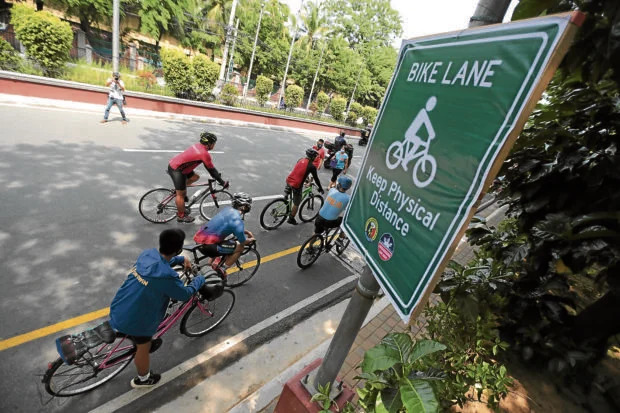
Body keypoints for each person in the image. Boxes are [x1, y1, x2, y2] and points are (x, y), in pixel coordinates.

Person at [109, 229, 205, 388]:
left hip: (120, 305)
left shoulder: (147, 255)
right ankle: (143, 379)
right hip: (135, 320)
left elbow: (160, 264)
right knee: (143, 346)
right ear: (178, 248)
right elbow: (185, 295)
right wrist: (199, 280)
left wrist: (181, 259)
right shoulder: (167, 277)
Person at [168, 131, 229, 223]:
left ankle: (178, 189)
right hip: (177, 170)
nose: (214, 145)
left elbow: (211, 169)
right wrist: (222, 182)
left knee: (195, 177)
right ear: (209, 144)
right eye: (214, 143)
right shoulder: (204, 154)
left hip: (181, 167)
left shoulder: (198, 145)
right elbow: (211, 170)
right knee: (180, 195)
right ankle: (181, 216)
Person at [193, 193, 255, 275]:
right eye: (248, 205)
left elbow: (223, 226)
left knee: (222, 242)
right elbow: (243, 241)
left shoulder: (226, 210)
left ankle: (209, 268)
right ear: (244, 207)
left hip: (199, 241)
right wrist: (251, 239)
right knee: (240, 247)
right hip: (209, 247)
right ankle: (222, 270)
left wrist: (243, 231)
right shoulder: (237, 220)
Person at [285, 148, 325, 225]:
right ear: (313, 157)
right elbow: (316, 179)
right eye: (316, 157)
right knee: (297, 203)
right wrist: (320, 188)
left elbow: (300, 171)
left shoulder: (300, 159)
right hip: (296, 185)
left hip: (289, 180)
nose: (317, 158)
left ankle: (286, 196)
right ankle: (291, 218)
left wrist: (306, 180)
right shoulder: (312, 166)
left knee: (291, 195)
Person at [312, 175, 352, 242]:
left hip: (319, 217)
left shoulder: (332, 190)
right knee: (345, 221)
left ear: (339, 184)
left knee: (316, 232)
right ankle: (340, 238)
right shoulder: (348, 198)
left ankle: (310, 247)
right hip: (330, 222)